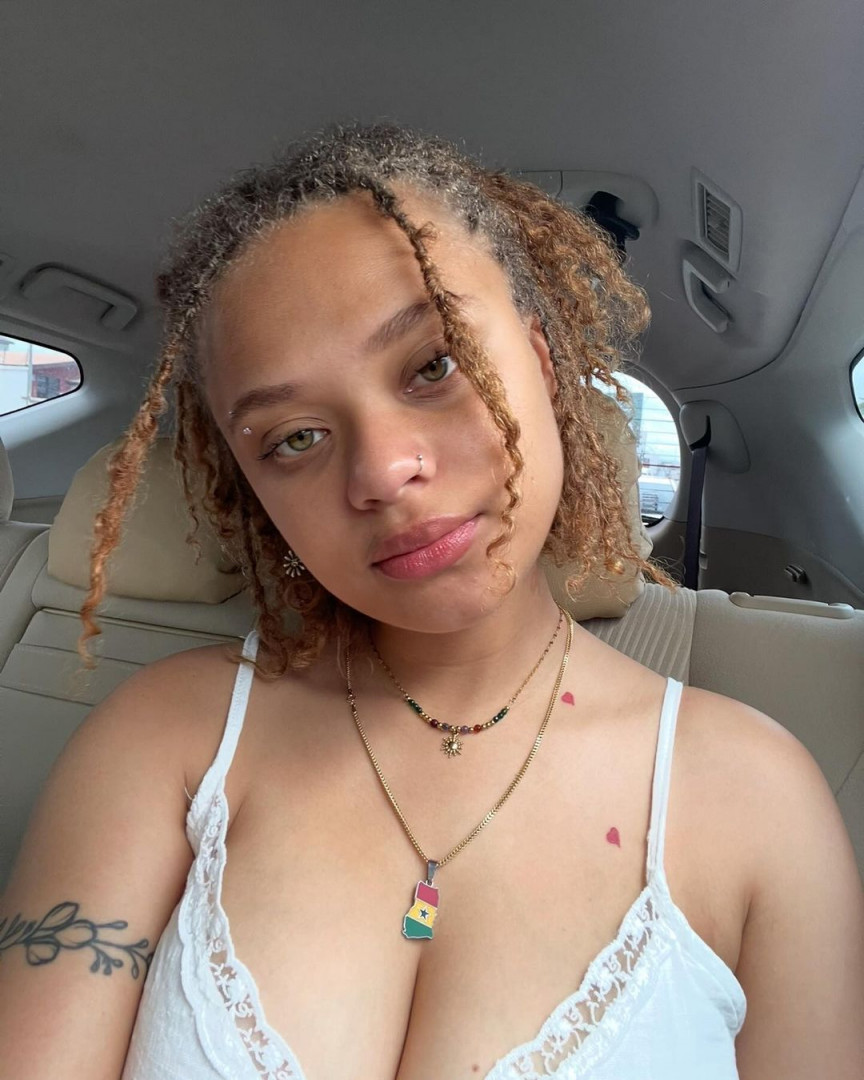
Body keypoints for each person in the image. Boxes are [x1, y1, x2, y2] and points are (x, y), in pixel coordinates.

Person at [1, 122, 862, 1080]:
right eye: (294, 438)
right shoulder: (164, 740)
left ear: (540, 362)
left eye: (433, 365)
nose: (382, 472)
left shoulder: (757, 800)